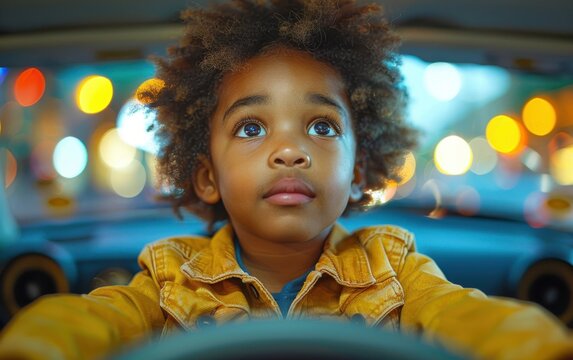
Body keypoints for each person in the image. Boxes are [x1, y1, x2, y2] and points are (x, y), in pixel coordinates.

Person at [0, 1, 571, 359]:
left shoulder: (396, 267)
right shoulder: (170, 274)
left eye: (321, 126)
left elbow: (467, 315)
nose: (291, 150)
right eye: (251, 128)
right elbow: (97, 317)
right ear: (207, 176)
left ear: (357, 171)